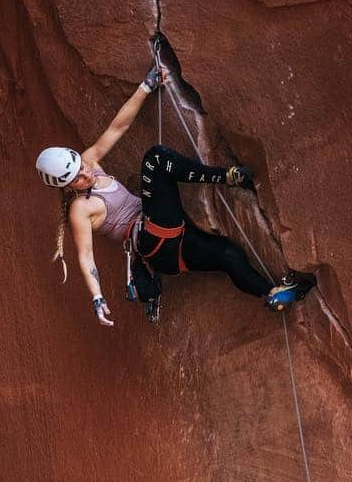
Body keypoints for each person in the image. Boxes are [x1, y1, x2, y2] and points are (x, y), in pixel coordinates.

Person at [36, 63, 315, 327]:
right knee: (155, 159)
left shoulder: (88, 162)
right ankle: (227, 177)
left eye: (82, 166)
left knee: (229, 256)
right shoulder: (79, 210)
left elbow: (117, 127)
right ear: (67, 186)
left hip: (168, 243)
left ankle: (273, 294)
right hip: (152, 239)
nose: (86, 173)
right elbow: (86, 257)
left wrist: (146, 86)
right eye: (78, 177)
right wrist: (97, 298)